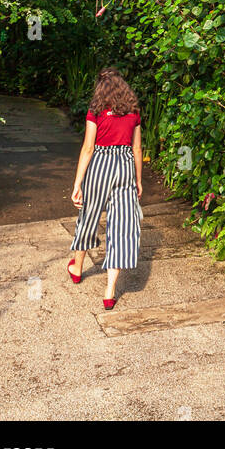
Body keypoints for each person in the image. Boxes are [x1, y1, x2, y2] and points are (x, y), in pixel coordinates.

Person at [67, 67, 143, 309]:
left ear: (100, 88)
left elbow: (88, 148)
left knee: (88, 215)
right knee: (122, 226)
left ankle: (77, 268)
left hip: (100, 164)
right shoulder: (134, 112)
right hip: (124, 167)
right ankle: (109, 292)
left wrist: (77, 182)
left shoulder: (96, 111)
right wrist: (138, 180)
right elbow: (137, 149)